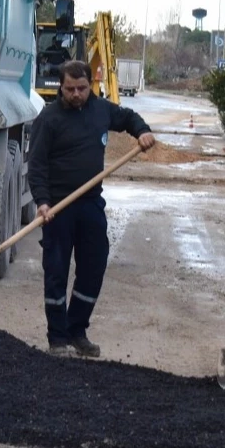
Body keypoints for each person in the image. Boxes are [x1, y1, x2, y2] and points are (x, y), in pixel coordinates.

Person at [27, 60, 155, 356]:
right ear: (61, 86)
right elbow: (36, 166)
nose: (76, 94)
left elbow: (128, 117)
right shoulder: (49, 119)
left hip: (90, 204)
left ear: (90, 84)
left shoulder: (101, 109)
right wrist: (43, 202)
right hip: (58, 207)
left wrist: (143, 131)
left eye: (81, 88)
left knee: (94, 265)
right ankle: (57, 338)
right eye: (69, 89)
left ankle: (77, 330)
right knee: (56, 271)